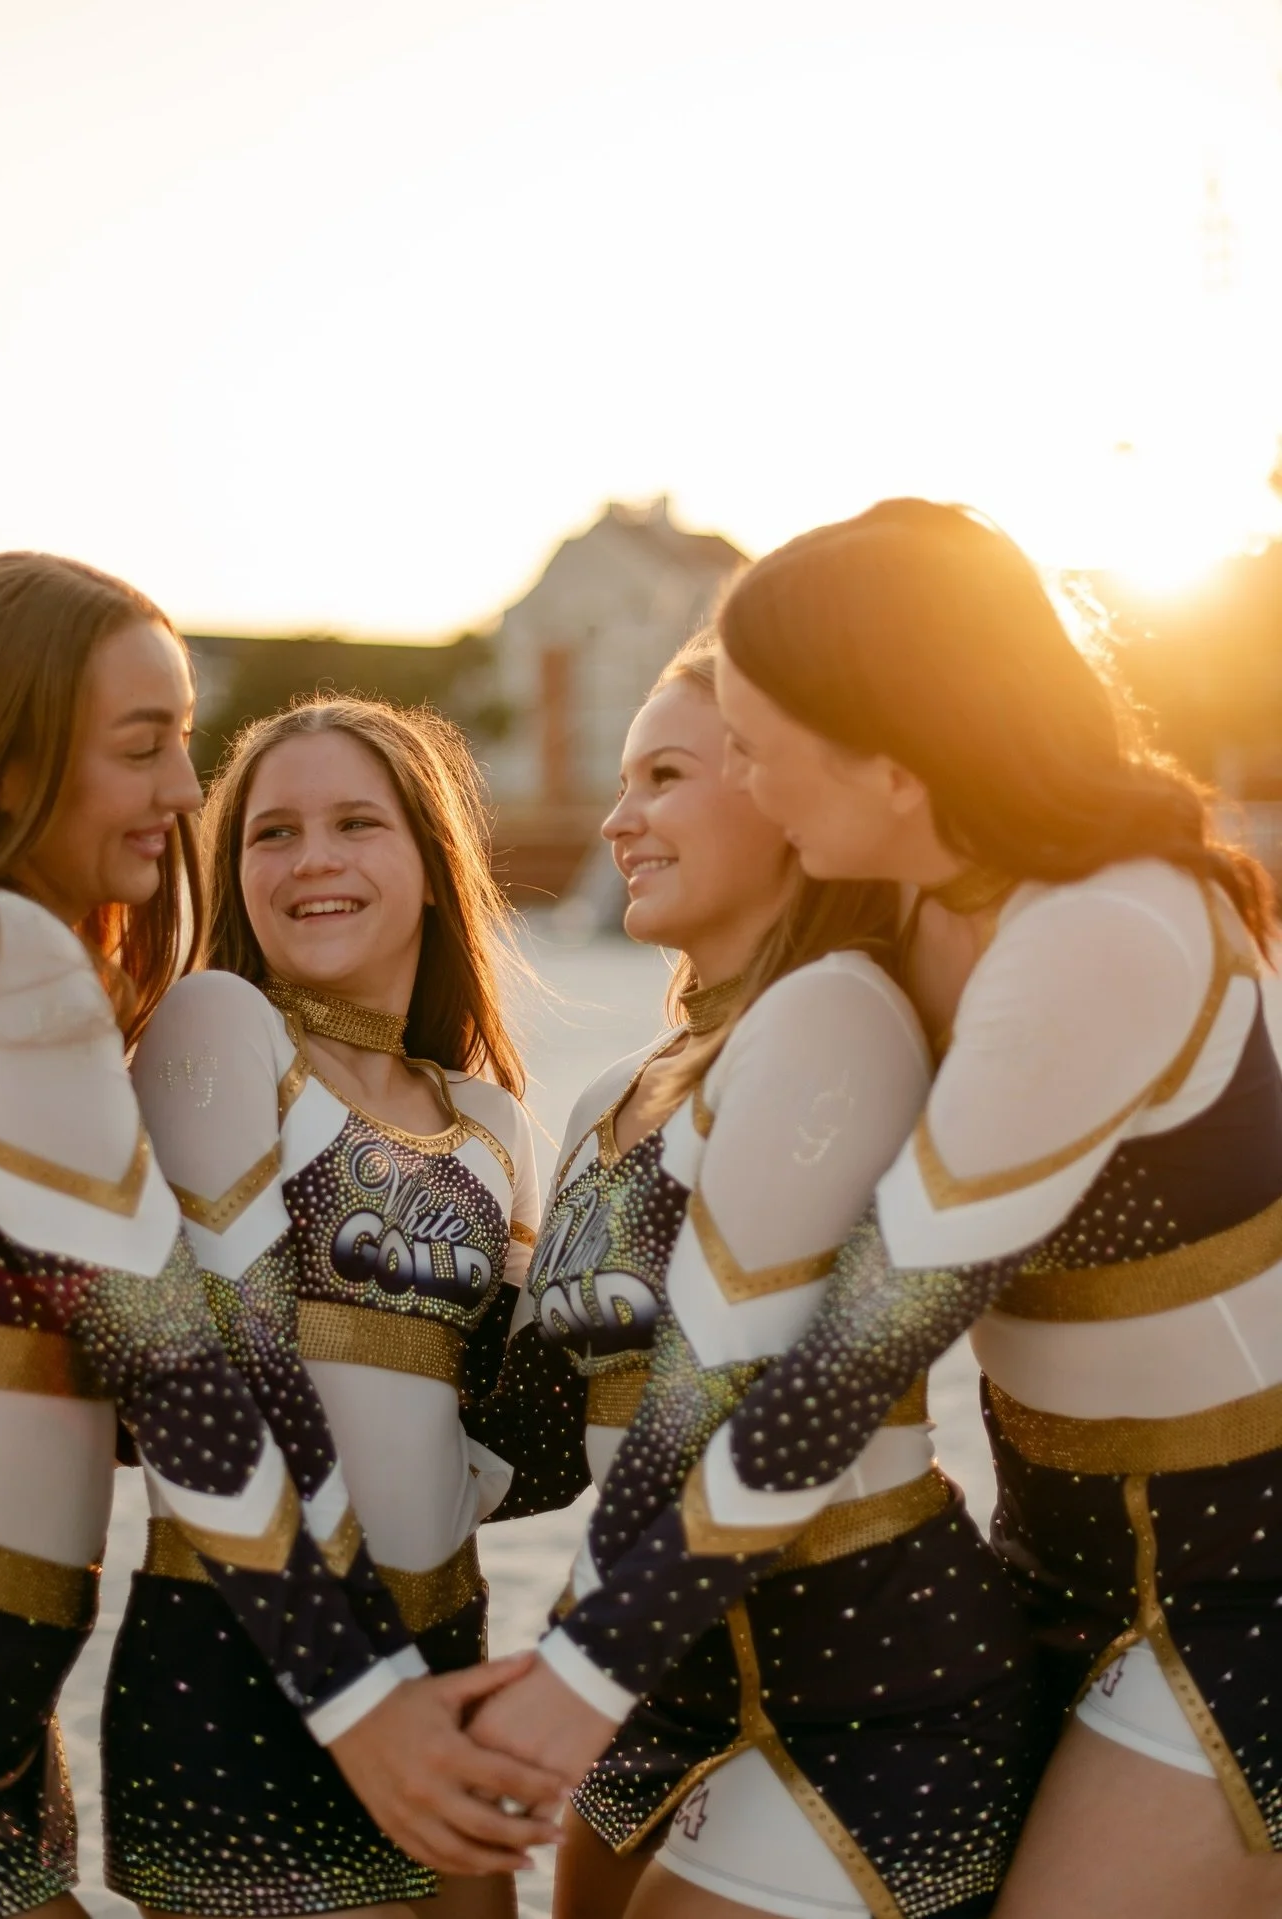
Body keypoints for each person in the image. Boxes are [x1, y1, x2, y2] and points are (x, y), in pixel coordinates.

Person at [482, 499, 1282, 1919]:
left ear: (888, 751)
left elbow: (850, 1354)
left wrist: (585, 1664)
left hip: (1244, 1586)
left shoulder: (1103, 927)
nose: (750, 771)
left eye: (760, 738)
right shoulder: (917, 919)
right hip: (1049, 1554)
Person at [0, 555, 559, 1919]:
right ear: (8, 762)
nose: (188, 787)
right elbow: (178, 1361)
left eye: (182, 739)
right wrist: (361, 1703)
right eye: (146, 743)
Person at [472, 632, 1044, 1919]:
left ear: (784, 793)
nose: (620, 819)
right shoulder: (616, 1092)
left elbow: (721, 1399)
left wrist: (570, 1667)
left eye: (664, 775)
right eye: (623, 782)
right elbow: (537, 1436)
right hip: (653, 1671)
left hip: (864, 1681)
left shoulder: (840, 1010)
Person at [103, 697, 546, 1919]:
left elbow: (513, 1433)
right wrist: (360, 1678)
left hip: (446, 1650)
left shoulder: (489, 1117)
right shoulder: (214, 1024)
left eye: (356, 822)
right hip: (247, 1658)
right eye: (271, 834)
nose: (312, 861)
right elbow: (225, 1382)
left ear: (430, 860)